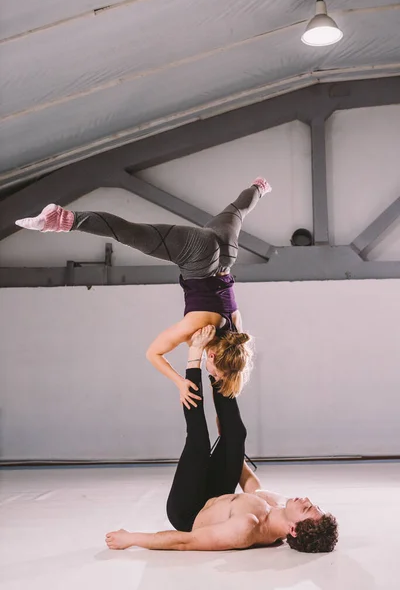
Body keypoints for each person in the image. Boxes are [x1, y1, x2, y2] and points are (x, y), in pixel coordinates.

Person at [16, 178, 271, 405]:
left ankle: (259, 187)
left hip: (226, 254)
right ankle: (61, 219)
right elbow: (153, 353)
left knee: (237, 211)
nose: (210, 371)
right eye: (213, 371)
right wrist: (180, 382)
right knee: (129, 232)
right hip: (197, 253)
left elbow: (226, 325)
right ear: (213, 355)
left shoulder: (237, 330)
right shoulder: (195, 329)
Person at [105, 326, 338, 553]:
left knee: (199, 442)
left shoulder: (245, 529)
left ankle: (195, 356)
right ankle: (216, 365)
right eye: (311, 503)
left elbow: (185, 541)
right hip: (215, 495)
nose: (305, 499)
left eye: (307, 508)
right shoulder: (282, 506)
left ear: (293, 530)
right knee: (236, 435)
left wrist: (131, 539)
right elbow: (253, 490)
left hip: (189, 511)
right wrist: (231, 449)